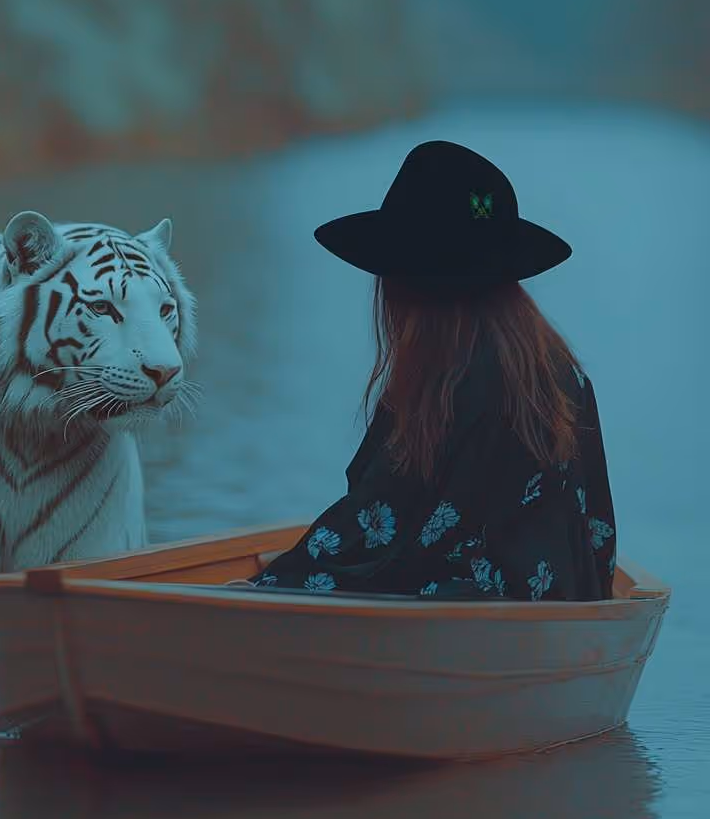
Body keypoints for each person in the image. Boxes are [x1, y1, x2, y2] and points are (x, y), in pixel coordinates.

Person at [248, 140, 616, 601]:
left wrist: (259, 587)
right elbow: (597, 539)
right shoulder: (564, 375)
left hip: (455, 619)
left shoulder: (447, 386)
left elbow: (372, 530)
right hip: (552, 619)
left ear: (406, 284)